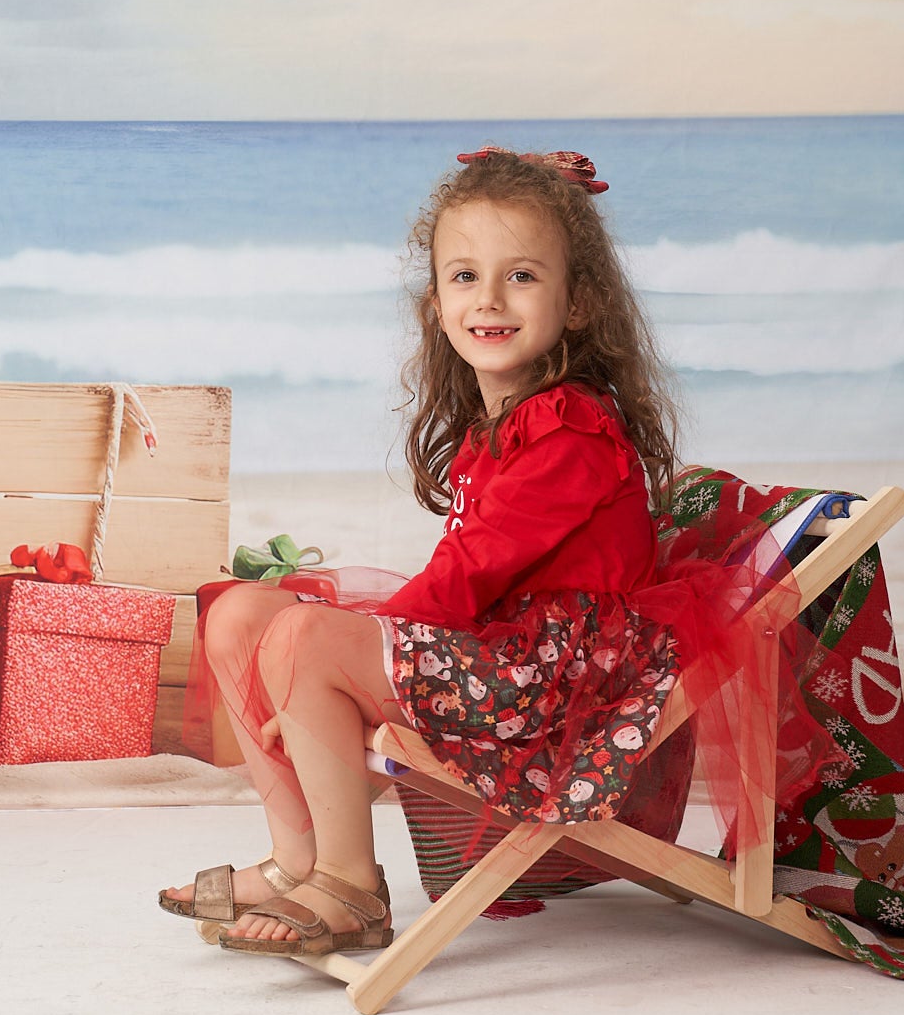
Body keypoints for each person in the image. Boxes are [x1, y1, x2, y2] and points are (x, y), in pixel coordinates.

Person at [158, 146, 752, 958]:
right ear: (436, 303)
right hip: (500, 655)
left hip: (555, 690)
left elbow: (465, 577)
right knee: (241, 615)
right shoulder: (502, 425)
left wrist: (318, 658)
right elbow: (462, 581)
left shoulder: (571, 429)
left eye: (522, 276)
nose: (490, 298)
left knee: (301, 637)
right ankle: (298, 859)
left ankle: (349, 883)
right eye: (465, 276)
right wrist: (316, 655)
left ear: (579, 302)